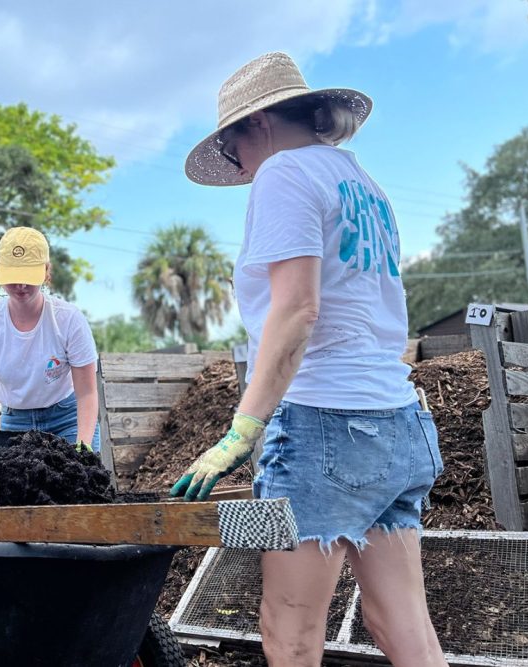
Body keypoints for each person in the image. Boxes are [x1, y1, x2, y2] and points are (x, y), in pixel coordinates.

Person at [170, 52, 447, 666]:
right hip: (398, 426)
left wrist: (243, 429)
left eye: (230, 141)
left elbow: (297, 311)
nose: (236, 162)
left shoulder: (285, 174)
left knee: (289, 631)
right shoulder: (361, 183)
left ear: (259, 122)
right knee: (404, 626)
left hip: (326, 426)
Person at [0, 227, 100, 499]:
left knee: (80, 492)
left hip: (66, 418)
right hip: (17, 422)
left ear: (46, 271)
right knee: (18, 498)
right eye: (13, 278)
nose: (21, 286)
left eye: (28, 277)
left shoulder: (69, 320)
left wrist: (83, 441)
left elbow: (87, 391)